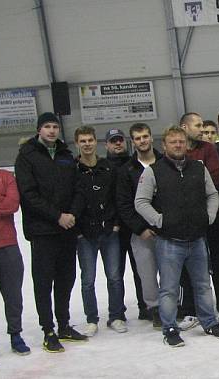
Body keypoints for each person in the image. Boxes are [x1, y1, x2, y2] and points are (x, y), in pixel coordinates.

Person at [134, 126, 219, 347]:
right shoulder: (153, 171)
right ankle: (169, 328)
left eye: (181, 142)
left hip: (197, 239)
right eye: (173, 142)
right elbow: (140, 202)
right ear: (164, 146)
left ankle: (209, 322)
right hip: (169, 242)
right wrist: (159, 221)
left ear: (186, 144)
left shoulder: (199, 167)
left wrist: (209, 217)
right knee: (169, 288)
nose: (177, 145)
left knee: (203, 284)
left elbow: (212, 194)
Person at [15, 112, 88, 353]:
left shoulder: (66, 155)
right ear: (39, 130)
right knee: (44, 281)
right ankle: (48, 329)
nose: (52, 131)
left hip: (67, 229)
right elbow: (29, 193)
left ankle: (64, 324)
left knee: (66, 279)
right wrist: (57, 216)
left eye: (55, 126)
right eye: (47, 126)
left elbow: (79, 189)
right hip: (43, 230)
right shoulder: (27, 156)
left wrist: (72, 215)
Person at [176, 112, 219, 329]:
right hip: (186, 220)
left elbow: (214, 176)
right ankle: (191, 311)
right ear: (184, 126)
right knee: (188, 265)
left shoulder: (209, 149)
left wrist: (186, 183)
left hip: (213, 216)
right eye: (198, 125)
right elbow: (171, 180)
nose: (202, 130)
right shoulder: (178, 149)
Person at [71, 126, 126, 337]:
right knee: (88, 279)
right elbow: (71, 201)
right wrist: (77, 230)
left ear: (96, 142)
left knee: (114, 276)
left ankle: (116, 315)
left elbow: (117, 197)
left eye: (90, 140)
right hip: (85, 234)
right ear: (77, 143)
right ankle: (92, 319)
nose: (87, 144)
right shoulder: (73, 170)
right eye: (82, 141)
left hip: (109, 232)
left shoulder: (108, 168)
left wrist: (116, 224)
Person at [0, 135, 31, 361]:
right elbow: (2, 203)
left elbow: (12, 204)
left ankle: (16, 335)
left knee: (13, 295)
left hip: (8, 246)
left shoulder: (6, 177)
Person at [116, 123, 163, 329]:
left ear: (151, 137)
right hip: (142, 232)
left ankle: (173, 305)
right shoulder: (127, 170)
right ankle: (154, 309)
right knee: (147, 273)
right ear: (132, 142)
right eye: (137, 138)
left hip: (167, 229)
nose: (142, 141)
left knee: (172, 271)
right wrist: (140, 228)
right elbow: (124, 204)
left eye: (145, 136)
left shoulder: (166, 163)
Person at [104, 128, 147, 321]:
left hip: (134, 225)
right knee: (115, 273)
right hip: (114, 228)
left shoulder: (133, 164)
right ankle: (117, 312)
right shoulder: (103, 166)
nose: (117, 144)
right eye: (113, 141)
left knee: (141, 270)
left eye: (120, 140)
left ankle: (145, 305)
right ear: (107, 145)